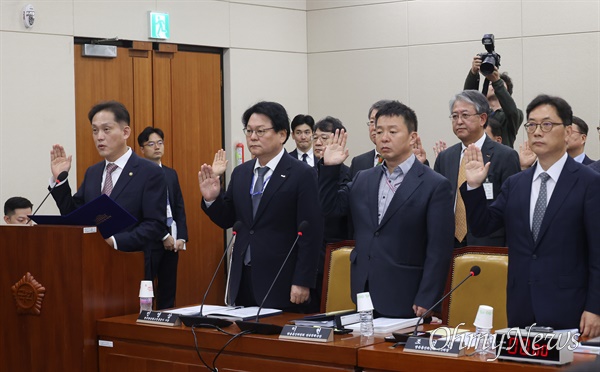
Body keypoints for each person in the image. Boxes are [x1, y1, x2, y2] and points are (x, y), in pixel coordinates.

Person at [460, 94, 600, 337]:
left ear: (567, 132)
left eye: (547, 124)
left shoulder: (589, 183)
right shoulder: (517, 183)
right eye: (532, 125)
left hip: (571, 309)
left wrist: (595, 307)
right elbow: (483, 226)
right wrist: (473, 187)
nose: (537, 132)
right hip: (521, 306)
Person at [319, 100, 454, 318]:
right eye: (379, 131)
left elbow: (439, 249)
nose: (384, 137)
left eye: (393, 131)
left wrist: (428, 296)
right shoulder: (364, 178)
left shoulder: (435, 185)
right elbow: (330, 209)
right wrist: (329, 169)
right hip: (364, 289)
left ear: (412, 137)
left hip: (407, 294)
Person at [199, 101, 323, 312]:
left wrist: (303, 280)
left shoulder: (302, 174)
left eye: (260, 131)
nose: (253, 137)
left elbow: (311, 232)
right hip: (243, 277)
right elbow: (229, 219)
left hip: (282, 279)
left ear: (282, 135)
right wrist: (212, 199)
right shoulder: (241, 173)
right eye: (249, 131)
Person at [50, 101, 167, 286]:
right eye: (95, 131)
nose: (99, 137)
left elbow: (156, 225)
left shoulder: (149, 172)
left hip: (130, 268)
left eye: (106, 129)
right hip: (90, 268)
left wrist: (114, 241)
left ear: (125, 132)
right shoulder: (93, 172)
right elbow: (73, 217)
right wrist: (61, 180)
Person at [434, 90, 520, 248]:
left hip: (489, 245)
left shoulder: (505, 156)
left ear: (482, 119)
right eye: (454, 116)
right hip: (449, 245)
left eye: (465, 115)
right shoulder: (445, 157)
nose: (459, 121)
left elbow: (513, 211)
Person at [138, 126, 188, 309]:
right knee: (147, 287)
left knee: (168, 287)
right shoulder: (138, 175)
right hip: (150, 240)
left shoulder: (170, 173)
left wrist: (181, 236)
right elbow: (142, 212)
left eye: (160, 143)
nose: (157, 147)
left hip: (173, 240)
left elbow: (179, 206)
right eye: (151, 144)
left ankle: (167, 322)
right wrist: (162, 236)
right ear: (142, 149)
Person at [464, 56, 523, 148]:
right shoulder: (479, 113)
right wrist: (473, 73)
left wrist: (496, 81)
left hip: (502, 160)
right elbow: (467, 99)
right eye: (491, 84)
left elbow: (512, 112)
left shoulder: (514, 115)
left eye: (499, 84)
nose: (494, 85)